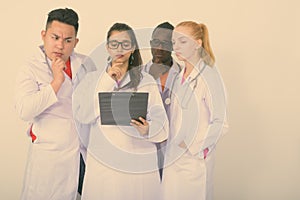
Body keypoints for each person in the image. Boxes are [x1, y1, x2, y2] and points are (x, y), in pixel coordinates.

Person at [72, 23, 169, 200]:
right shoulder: (92, 79)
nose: (119, 49)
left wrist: (147, 129)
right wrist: (108, 80)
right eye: (114, 43)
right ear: (107, 47)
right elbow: (82, 114)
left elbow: (161, 123)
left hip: (137, 161)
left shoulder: (146, 80)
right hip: (104, 164)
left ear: (132, 48)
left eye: (125, 44)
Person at [14, 8, 96, 200]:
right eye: (55, 37)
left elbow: (94, 104)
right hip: (50, 157)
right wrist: (56, 82)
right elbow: (25, 110)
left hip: (82, 156)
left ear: (75, 42)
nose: (60, 45)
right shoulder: (30, 68)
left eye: (68, 41)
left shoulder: (87, 64)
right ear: (44, 35)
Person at [161, 21, 228, 200]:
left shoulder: (210, 77)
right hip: (173, 159)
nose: (176, 47)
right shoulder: (177, 76)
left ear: (198, 43)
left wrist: (194, 146)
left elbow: (221, 123)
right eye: (174, 42)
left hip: (194, 161)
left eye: (182, 42)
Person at [143, 22, 181, 180]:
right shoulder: (137, 75)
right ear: (151, 43)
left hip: (175, 149)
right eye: (156, 42)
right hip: (145, 147)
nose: (159, 48)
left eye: (165, 43)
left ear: (173, 46)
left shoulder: (184, 76)